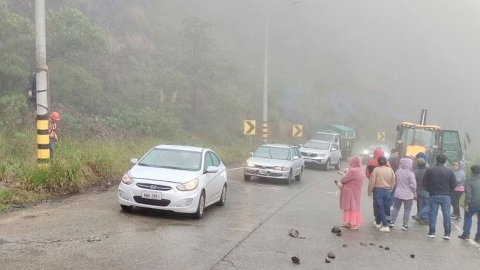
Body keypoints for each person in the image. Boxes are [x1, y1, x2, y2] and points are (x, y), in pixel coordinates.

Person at [424, 154, 456, 240]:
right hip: (446, 195)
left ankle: (432, 232)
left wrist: (430, 190)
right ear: (445, 161)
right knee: (446, 215)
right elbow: (454, 184)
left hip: (433, 194)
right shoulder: (450, 171)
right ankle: (447, 233)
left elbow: (425, 182)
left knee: (433, 214)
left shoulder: (430, 170)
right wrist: (449, 191)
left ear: (436, 160)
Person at [368, 156, 396, 233]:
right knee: (383, 207)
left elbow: (372, 181)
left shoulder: (376, 170)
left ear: (378, 162)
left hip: (378, 190)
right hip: (387, 190)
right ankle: (377, 222)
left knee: (379, 208)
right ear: (386, 162)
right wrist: (390, 189)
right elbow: (393, 180)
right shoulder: (390, 170)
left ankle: (385, 225)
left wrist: (369, 191)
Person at [390, 158, 417, 230]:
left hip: (398, 193)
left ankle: (392, 222)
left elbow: (395, 181)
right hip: (408, 195)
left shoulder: (398, 171)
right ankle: (405, 225)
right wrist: (414, 192)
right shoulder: (411, 173)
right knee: (407, 210)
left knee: (395, 208)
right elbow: (413, 185)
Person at [339, 156, 365, 231]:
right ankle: (349, 222)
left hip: (350, 192)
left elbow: (343, 180)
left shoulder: (353, 171)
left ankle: (354, 224)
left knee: (351, 208)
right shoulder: (360, 169)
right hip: (356, 192)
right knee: (353, 207)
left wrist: (344, 173)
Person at [366, 148, 391, 221]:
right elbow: (390, 174)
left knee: (376, 202)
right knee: (386, 202)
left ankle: (377, 216)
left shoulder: (370, 162)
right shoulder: (387, 163)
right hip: (386, 186)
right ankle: (386, 216)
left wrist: (373, 181)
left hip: (375, 186)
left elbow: (367, 174)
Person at [458, 165, 480, 242]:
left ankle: (466, 234)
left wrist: (466, 204)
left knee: (468, 217)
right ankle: (478, 237)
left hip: (472, 203)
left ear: (471, 171)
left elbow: (468, 194)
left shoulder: (469, 181)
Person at [412, 158, 430, 224]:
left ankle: (422, 218)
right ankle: (422, 216)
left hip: (419, 190)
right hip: (426, 190)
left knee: (421, 204)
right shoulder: (428, 171)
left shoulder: (415, 172)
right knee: (429, 204)